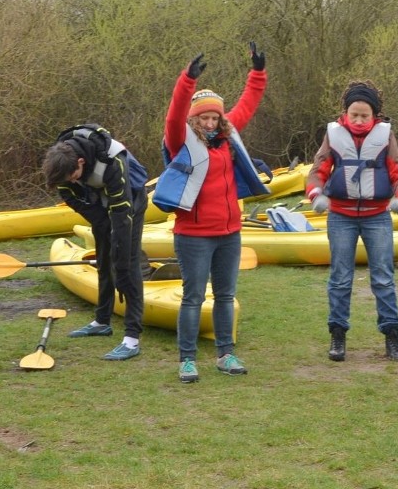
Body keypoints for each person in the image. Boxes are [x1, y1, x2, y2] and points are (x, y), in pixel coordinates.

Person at [162, 44, 268, 383]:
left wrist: (258, 72)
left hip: (228, 233)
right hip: (193, 236)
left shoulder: (226, 136)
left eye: (214, 117)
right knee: (193, 298)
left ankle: (226, 355)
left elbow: (248, 104)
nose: (209, 122)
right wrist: (187, 80)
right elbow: (174, 114)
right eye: (203, 118)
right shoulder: (180, 140)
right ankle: (187, 360)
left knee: (225, 295)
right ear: (194, 119)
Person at [306, 80, 398, 363]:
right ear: (346, 112)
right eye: (354, 114)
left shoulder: (386, 136)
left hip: (377, 216)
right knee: (340, 279)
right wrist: (316, 194)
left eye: (365, 115)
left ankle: (392, 336)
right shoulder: (333, 135)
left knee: (383, 279)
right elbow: (318, 171)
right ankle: (338, 335)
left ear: (374, 115)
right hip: (341, 216)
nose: (359, 120)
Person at [42, 124, 148, 360]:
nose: (69, 182)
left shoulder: (111, 161)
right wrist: (99, 219)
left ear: (80, 162)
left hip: (131, 200)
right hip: (100, 201)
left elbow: (122, 216)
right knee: (102, 258)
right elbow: (68, 195)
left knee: (127, 266)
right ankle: (102, 321)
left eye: (73, 177)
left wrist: (120, 266)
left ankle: (131, 339)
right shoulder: (61, 163)